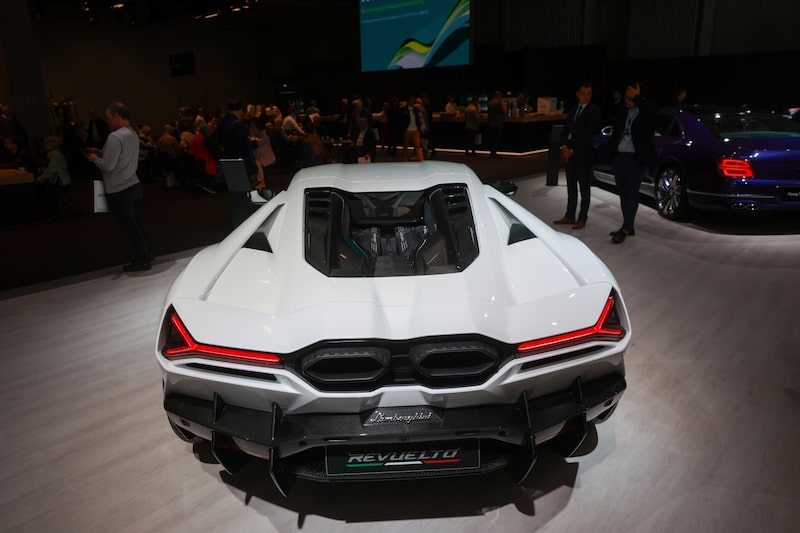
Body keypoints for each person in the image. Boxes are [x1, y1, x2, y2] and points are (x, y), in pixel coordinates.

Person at [86, 101, 151, 272]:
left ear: (117, 116)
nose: (107, 121)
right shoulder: (132, 133)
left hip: (119, 189)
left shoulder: (114, 137)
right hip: (134, 185)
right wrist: (102, 153)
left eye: (108, 118)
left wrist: (94, 159)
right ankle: (145, 254)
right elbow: (121, 157)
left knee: (129, 226)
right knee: (136, 223)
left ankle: (142, 259)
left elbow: (108, 165)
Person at [607, 82, 657, 244]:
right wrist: (612, 153)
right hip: (620, 157)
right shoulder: (622, 111)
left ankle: (626, 228)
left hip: (636, 159)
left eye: (630, 96)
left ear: (638, 95)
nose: (626, 99)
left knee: (631, 192)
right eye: (626, 95)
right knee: (622, 193)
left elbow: (654, 118)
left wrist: (638, 99)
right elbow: (616, 133)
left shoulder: (645, 111)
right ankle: (628, 225)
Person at [554, 81, 602, 230]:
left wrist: (572, 150)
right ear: (577, 94)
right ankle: (569, 215)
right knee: (571, 187)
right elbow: (566, 130)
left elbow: (588, 135)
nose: (586, 97)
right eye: (583, 93)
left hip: (583, 156)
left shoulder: (594, 111)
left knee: (584, 189)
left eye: (589, 94)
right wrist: (564, 146)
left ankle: (582, 218)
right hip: (570, 155)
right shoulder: (574, 110)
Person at [35, 136, 71, 221]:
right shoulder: (54, 153)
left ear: (48, 145)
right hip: (57, 181)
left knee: (49, 193)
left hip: (60, 181)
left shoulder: (54, 154)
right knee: (47, 191)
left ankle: (54, 214)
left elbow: (51, 169)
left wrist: (40, 178)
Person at [400, 95, 424, 162]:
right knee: (405, 147)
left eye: (413, 100)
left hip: (415, 130)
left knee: (418, 146)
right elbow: (401, 120)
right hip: (407, 130)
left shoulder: (415, 109)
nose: (412, 102)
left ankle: (421, 160)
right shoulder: (403, 109)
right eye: (411, 100)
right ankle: (405, 161)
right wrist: (403, 129)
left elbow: (418, 119)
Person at [487, 90, 505, 158]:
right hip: (497, 123)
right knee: (496, 139)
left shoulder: (489, 102)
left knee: (492, 138)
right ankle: (494, 152)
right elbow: (501, 112)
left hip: (490, 123)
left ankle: (492, 152)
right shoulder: (497, 103)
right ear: (498, 95)